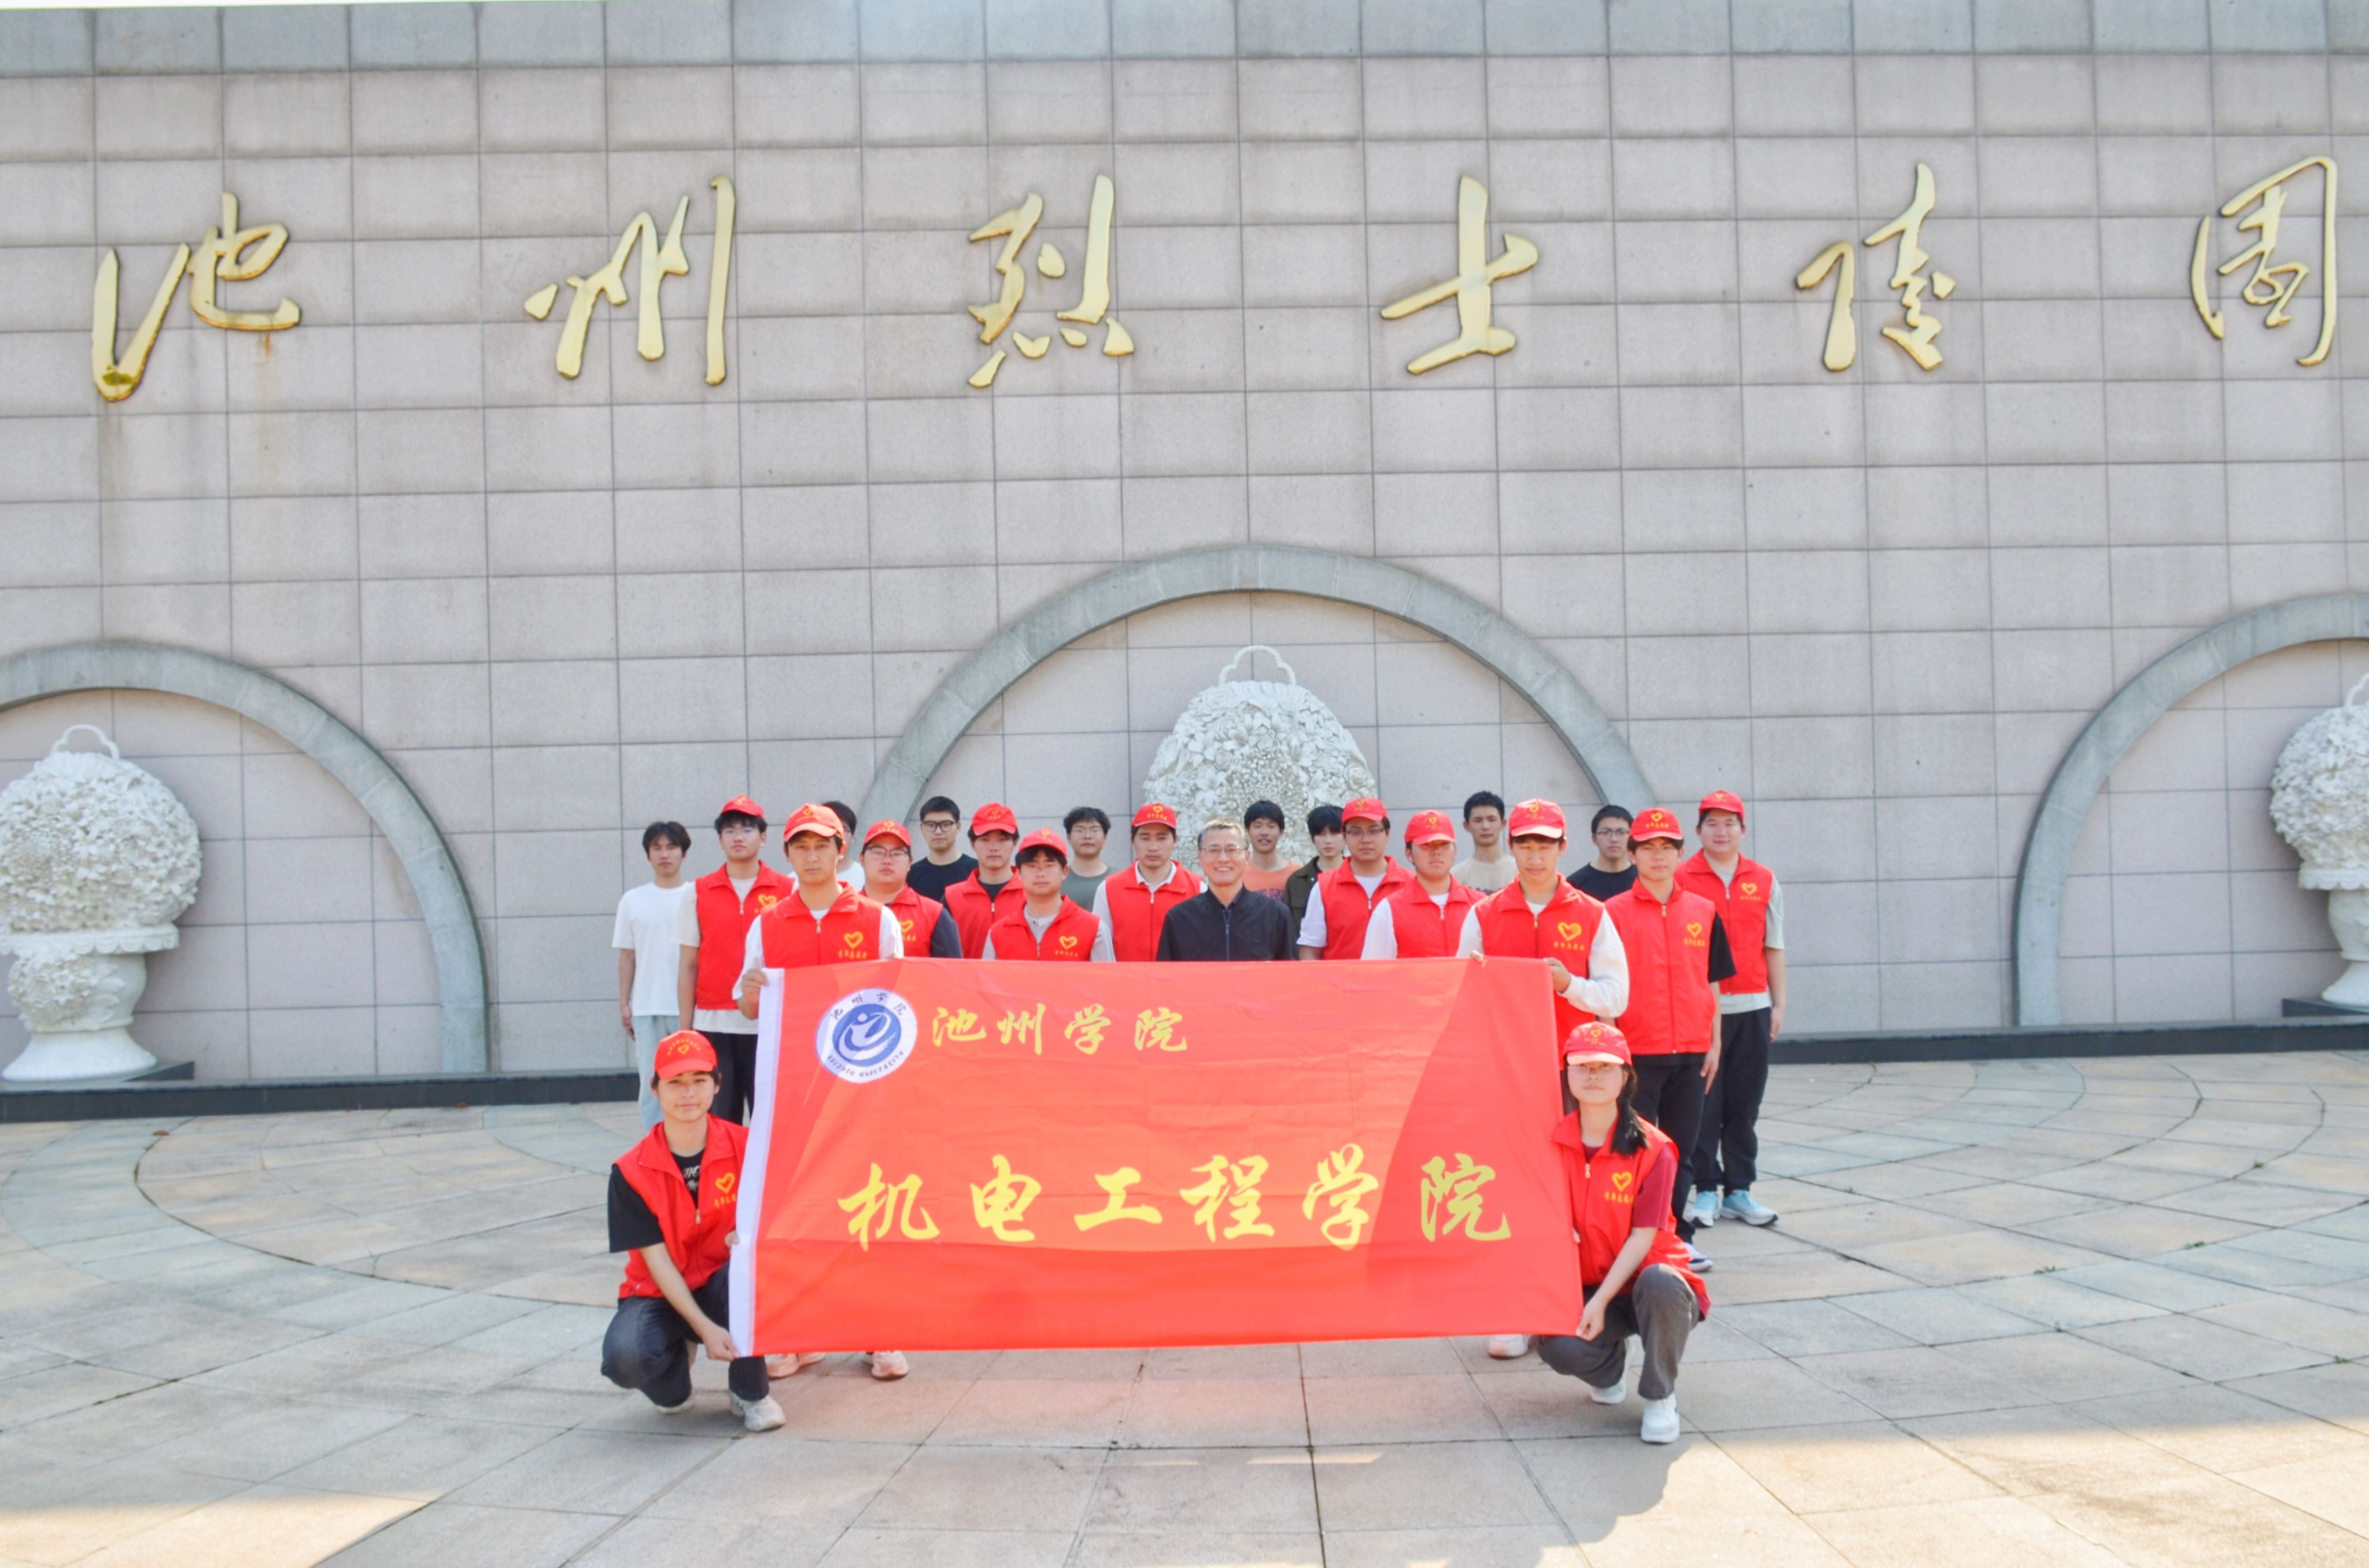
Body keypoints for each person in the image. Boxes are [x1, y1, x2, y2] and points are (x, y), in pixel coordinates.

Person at [735, 803, 909, 1382]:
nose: (812, 857)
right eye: (801, 847)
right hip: (792, 1091)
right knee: (796, 1209)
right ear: (787, 854)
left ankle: (878, 1330)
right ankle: (796, 1334)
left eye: (822, 846)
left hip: (862, 1092)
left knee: (868, 1206)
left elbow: (901, 998)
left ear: (842, 850)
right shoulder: (767, 924)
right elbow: (748, 1004)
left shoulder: (877, 919)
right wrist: (753, 991)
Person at [1457, 798, 1630, 1360]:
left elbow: (1616, 996)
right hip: (1507, 1072)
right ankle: (1515, 1309)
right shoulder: (1485, 914)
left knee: (1576, 1190)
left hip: (1575, 1075)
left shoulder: (1592, 914)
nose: (1535, 855)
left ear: (1562, 848)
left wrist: (1567, 985)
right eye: (1526, 844)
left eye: (1545, 845)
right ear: (1511, 847)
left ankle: (1573, 1301)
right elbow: (1460, 991)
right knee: (1511, 1187)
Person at [600, 1029, 785, 1431]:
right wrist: (705, 1330)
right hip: (659, 1292)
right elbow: (657, 1263)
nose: (688, 1093)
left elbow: (777, 1214)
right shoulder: (631, 1171)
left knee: (750, 1274)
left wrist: (750, 1236)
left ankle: (750, 1392)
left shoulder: (747, 1147)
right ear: (655, 1089)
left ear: (717, 1085)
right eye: (675, 1082)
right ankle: (674, 1384)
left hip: (723, 1284)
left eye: (699, 1080)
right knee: (624, 1358)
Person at [1536, 1021, 1708, 1446]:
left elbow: (1643, 1236)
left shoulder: (1655, 1149)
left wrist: (1599, 1302)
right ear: (1567, 1075)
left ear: (1626, 1076)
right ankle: (1609, 1370)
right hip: (1589, 1282)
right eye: (1582, 1066)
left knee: (1661, 1282)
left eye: (1605, 1066)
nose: (1593, 1076)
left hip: (1651, 1284)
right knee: (1555, 1345)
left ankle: (1660, 1395)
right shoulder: (1550, 1143)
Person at [1603, 808, 1733, 1268]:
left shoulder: (1704, 911)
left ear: (1681, 854)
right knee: (1636, 1151)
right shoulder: (1612, 913)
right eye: (1648, 848)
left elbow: (1712, 982)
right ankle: (1633, 1239)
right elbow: (1607, 986)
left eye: (1667, 848)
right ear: (1633, 854)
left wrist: (1715, 1042)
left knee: (1682, 1148)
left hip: (1693, 1051)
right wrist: (1615, 1052)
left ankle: (1677, 1236)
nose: (1658, 856)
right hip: (1637, 1052)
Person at [1677, 791, 1785, 1231]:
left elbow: (1774, 944)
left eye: (1730, 823)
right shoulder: (1681, 876)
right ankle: (1706, 1187)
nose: (1721, 832)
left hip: (1753, 1005)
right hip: (1702, 1008)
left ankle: (1739, 1189)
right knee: (1705, 1102)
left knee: (1745, 1102)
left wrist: (1779, 1003)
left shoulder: (1764, 878)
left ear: (1743, 830)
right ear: (1698, 831)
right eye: (1712, 823)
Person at [674, 797, 791, 1127]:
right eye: (730, 830)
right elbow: (688, 964)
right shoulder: (697, 891)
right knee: (720, 1120)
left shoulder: (787, 889)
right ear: (719, 840)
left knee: (770, 1120)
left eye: (747, 829)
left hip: (767, 1022)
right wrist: (686, 1028)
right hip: (713, 1023)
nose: (738, 837)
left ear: (763, 838)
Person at [615, 821, 695, 1127]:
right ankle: (654, 1144)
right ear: (648, 855)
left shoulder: (696, 896)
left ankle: (692, 1142)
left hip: (688, 1007)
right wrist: (625, 1001)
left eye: (672, 847)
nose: (664, 855)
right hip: (647, 1008)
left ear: (684, 854)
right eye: (657, 848)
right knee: (652, 1084)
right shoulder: (632, 900)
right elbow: (627, 955)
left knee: (691, 1080)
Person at [1156, 818, 1297, 960]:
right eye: (1213, 850)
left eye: (1232, 850)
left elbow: (1290, 972)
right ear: (1200, 857)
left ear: (1247, 857)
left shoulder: (1276, 915)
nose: (1223, 859)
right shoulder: (1180, 918)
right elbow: (1166, 973)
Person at [1297, 798, 1409, 960]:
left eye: (1374, 831)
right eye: (1356, 832)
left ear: (1387, 834)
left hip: (1399, 977)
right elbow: (1310, 951)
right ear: (1344, 836)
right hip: (1341, 978)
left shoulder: (1411, 884)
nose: (1365, 840)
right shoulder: (1324, 888)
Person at [1359, 809, 1481, 958]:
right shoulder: (1389, 910)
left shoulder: (1480, 906)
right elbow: (1373, 969)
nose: (1436, 851)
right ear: (1409, 854)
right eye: (1426, 845)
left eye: (1444, 844)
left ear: (1455, 852)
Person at [1091, 802, 1202, 962]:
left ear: (1175, 840)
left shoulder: (1197, 889)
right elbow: (1100, 949)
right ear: (1133, 840)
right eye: (1145, 838)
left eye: (1162, 838)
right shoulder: (1108, 889)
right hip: (1125, 978)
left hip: (1178, 978)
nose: (1153, 847)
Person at [983, 829, 1102, 960]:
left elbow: (1107, 973)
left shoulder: (1094, 928)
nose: (1041, 873)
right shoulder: (998, 933)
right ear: (1019, 873)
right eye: (1032, 866)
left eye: (1049, 865)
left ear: (1064, 872)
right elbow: (986, 974)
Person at [855, 819, 962, 958]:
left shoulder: (934, 915)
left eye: (897, 853)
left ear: (910, 863)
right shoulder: (843, 912)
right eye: (878, 852)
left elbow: (952, 969)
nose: (887, 860)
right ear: (862, 859)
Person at [942, 802, 1024, 957]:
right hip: (966, 974)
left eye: (1002, 839)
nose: (994, 847)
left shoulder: (1032, 895)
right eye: (985, 840)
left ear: (1015, 843)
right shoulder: (951, 898)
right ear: (972, 844)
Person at [1283, 803, 1344, 940]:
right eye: (1321, 834)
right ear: (1312, 838)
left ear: (1346, 835)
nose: (1328, 841)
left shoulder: (1358, 876)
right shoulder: (1297, 881)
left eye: (1335, 833)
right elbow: (1288, 930)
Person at [906, 795, 975, 903]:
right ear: (922, 828)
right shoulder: (910, 875)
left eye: (946, 825)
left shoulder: (976, 871)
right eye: (931, 825)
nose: (938, 831)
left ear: (958, 827)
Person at [1452, 791, 1516, 893]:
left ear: (1503, 824)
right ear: (1466, 826)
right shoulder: (1456, 876)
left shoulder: (1521, 872)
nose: (1485, 827)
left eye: (1492, 820)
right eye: (1478, 821)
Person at [1570, 805, 1637, 901]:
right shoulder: (1575, 886)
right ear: (1594, 839)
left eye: (1621, 832)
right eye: (1606, 832)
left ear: (1631, 837)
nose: (1614, 839)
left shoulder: (1644, 880)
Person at [1240, 800, 1297, 901]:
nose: (1264, 833)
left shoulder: (1296, 874)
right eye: (1258, 826)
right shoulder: (1238, 874)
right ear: (1247, 831)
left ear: (1281, 832)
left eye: (1271, 827)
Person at [1062, 806, 1115, 909]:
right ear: (1069, 837)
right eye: (1080, 830)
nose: (1087, 836)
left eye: (1095, 830)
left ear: (1105, 838)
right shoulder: (1059, 880)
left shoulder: (1119, 879)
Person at [824, 799, 862, 889]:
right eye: (829, 828)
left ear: (853, 836)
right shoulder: (796, 881)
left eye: (842, 830)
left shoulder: (867, 879)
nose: (835, 836)